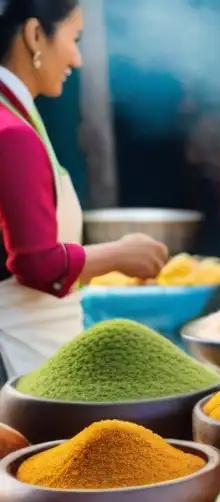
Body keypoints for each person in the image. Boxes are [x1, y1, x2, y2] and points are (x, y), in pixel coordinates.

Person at [0, 0, 167, 381]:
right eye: (74, 37)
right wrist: (121, 254)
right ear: (34, 34)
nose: (77, 58)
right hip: (20, 358)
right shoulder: (11, 133)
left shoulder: (17, 116)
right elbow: (36, 265)